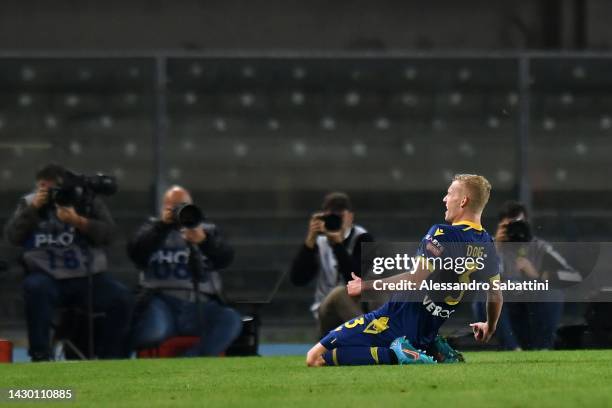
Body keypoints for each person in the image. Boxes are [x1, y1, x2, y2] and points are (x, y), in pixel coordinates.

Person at [305, 174, 503, 366]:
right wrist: (490, 326)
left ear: (463, 201)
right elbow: (495, 294)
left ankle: (398, 355)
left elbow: (415, 279)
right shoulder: (487, 243)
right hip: (423, 333)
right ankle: (428, 347)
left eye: (450, 193)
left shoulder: (442, 234)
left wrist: (364, 286)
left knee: (315, 357)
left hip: (391, 323)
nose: (445, 198)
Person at [3, 163, 133, 361]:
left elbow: (110, 235)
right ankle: (40, 355)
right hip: (47, 278)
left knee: (121, 297)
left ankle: (112, 357)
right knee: (35, 287)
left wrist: (79, 221)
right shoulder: (29, 203)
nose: (48, 193)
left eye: (53, 188)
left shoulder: (85, 201)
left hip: (87, 276)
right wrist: (33, 209)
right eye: (42, 188)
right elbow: (12, 237)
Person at [128, 185, 241, 357]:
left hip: (201, 305)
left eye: (184, 206)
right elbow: (135, 252)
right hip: (161, 302)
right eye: (173, 206)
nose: (179, 212)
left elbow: (226, 258)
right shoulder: (151, 228)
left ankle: (191, 360)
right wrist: (161, 227)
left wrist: (204, 241)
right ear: (164, 208)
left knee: (230, 319)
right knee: (152, 333)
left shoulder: (207, 231)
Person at [290, 192, 374, 337]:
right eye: (331, 216)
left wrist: (338, 245)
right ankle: (373, 339)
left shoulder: (362, 238)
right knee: (338, 293)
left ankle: (369, 338)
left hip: (356, 308)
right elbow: (298, 279)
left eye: (340, 216)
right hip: (327, 315)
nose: (336, 221)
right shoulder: (319, 241)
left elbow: (355, 279)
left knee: (344, 291)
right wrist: (310, 241)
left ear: (350, 217)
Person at [489, 200, 568, 350]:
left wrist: (537, 275)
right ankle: (512, 350)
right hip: (504, 314)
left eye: (519, 224)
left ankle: (543, 350)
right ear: (500, 227)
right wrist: (496, 250)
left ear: (527, 224)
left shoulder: (539, 247)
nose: (515, 230)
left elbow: (570, 275)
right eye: (508, 227)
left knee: (553, 290)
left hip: (533, 311)